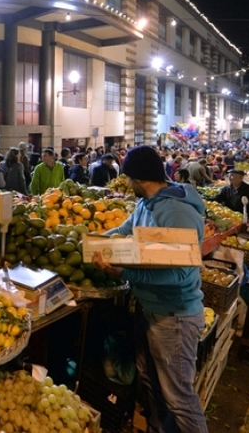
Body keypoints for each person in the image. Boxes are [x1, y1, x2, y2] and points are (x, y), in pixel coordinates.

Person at [91, 145, 208, 433]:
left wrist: (124, 272)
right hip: (150, 311)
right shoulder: (147, 203)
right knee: (151, 387)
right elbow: (124, 232)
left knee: (180, 400)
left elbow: (179, 273)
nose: (127, 184)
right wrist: (92, 243)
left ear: (137, 178)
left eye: (128, 178)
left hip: (174, 318)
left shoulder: (176, 213)